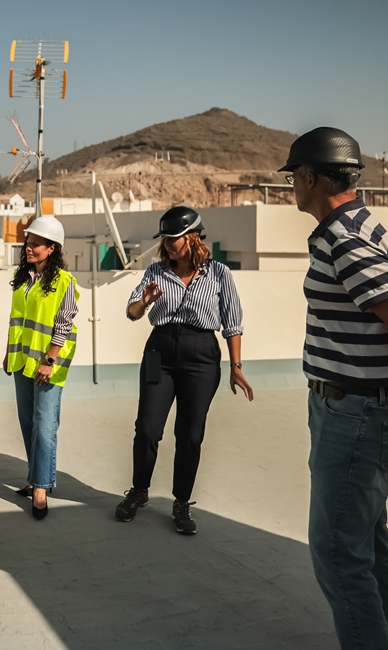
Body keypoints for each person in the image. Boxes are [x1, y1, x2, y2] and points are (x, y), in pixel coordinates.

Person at [281, 127, 388, 649]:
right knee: (366, 542)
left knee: (337, 553)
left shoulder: (344, 239)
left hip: (357, 413)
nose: (291, 190)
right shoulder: (364, 225)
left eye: (293, 179)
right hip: (358, 408)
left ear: (310, 178)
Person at [115, 206, 253, 534]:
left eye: (175, 237)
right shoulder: (155, 272)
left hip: (202, 357)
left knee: (190, 435)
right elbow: (132, 312)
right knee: (147, 429)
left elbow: (233, 323)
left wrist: (236, 366)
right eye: (165, 238)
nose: (169, 243)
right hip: (158, 352)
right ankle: (139, 491)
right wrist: (145, 300)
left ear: (192, 237)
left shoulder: (219, 274)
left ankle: (181, 503)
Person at [2, 216, 79, 520]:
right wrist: (8, 353)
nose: (29, 247)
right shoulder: (23, 278)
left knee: (45, 427)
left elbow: (63, 324)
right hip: (22, 362)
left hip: (48, 366)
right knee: (28, 424)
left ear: (51, 248)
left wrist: (49, 361)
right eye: (28, 242)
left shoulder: (64, 282)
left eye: (35, 243)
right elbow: (16, 321)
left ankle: (41, 489)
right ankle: (35, 476)